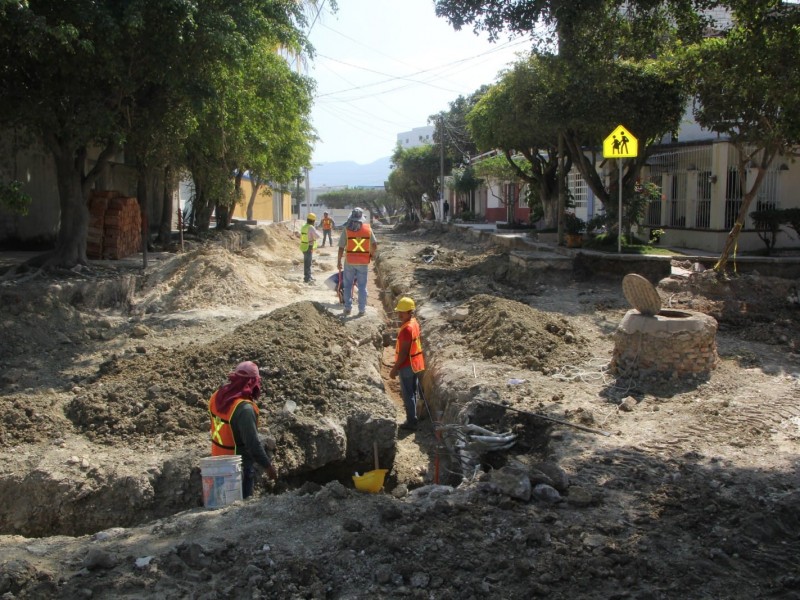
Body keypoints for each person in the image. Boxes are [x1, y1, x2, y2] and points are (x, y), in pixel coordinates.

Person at [208, 361, 277, 498]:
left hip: (217, 463)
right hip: (237, 468)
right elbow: (252, 444)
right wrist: (268, 467)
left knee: (221, 504)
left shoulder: (217, 396)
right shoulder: (244, 409)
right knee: (239, 510)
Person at [389, 297, 426, 431]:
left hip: (406, 366)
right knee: (414, 391)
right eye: (399, 312)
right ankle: (414, 416)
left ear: (410, 312)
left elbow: (403, 353)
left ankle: (411, 422)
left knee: (408, 394)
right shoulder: (414, 323)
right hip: (415, 363)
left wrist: (394, 369)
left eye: (402, 312)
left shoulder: (406, 330)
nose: (399, 315)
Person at [337, 207, 377, 317]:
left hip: (350, 261)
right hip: (363, 262)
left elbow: (341, 247)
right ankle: (362, 309)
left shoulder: (346, 229)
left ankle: (347, 308)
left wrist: (338, 261)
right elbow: (374, 245)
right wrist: (371, 255)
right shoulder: (368, 229)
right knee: (362, 286)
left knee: (348, 285)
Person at [299, 213, 320, 283]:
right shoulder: (311, 227)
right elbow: (317, 236)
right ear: (313, 221)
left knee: (307, 262)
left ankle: (308, 276)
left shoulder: (304, 226)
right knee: (308, 263)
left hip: (303, 246)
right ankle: (307, 278)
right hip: (309, 246)